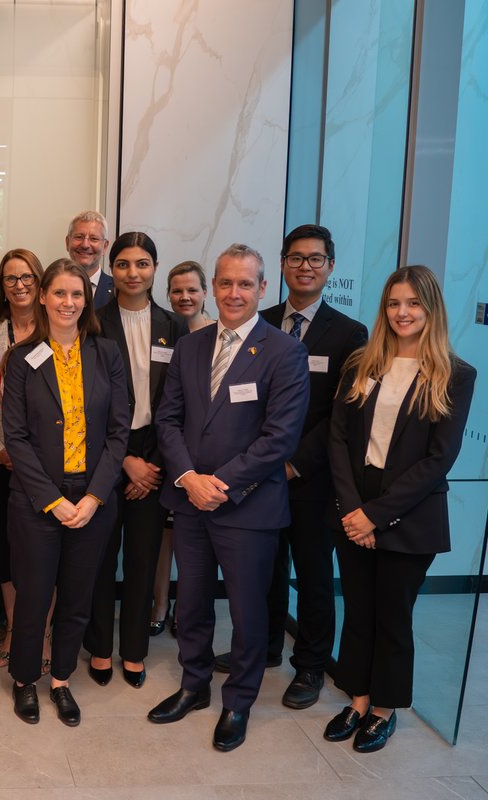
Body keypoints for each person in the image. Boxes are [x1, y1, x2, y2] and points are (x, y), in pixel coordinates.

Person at [148, 244, 309, 752]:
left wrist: (221, 484)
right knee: (191, 602)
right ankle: (194, 685)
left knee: (246, 611)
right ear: (213, 288)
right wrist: (190, 478)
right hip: (191, 502)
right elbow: (168, 420)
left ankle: (238, 699)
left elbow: (279, 438)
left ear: (264, 289)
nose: (233, 293)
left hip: (249, 507)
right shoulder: (191, 346)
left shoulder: (284, 351)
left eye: (245, 284)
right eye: (225, 283)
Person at [214, 225, 367, 709]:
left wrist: (293, 465)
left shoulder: (349, 333)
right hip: (256, 475)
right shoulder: (261, 320)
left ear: (330, 267)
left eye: (316, 259)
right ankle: (264, 649)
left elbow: (340, 416)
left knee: (314, 571)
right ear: (280, 266)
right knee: (265, 568)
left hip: (311, 479)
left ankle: (311, 665)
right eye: (296, 258)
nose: (305, 266)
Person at [324, 265, 475, 753]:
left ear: (430, 309)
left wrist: (376, 515)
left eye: (412, 303)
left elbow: (439, 459)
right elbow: (339, 439)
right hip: (355, 505)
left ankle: (385, 709)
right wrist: (353, 509)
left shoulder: (455, 374)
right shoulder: (362, 364)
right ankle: (359, 699)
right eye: (394, 303)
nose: (402, 312)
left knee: (392, 614)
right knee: (359, 611)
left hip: (409, 515)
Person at [3, 259, 129, 727]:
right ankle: (24, 680)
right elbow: (14, 436)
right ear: (42, 297)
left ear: (87, 299)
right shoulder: (21, 356)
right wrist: (53, 501)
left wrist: (94, 497)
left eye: (77, 294)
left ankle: (60, 681)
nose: (68, 303)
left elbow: (120, 432)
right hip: (38, 500)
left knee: (78, 597)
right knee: (34, 596)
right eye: (59, 293)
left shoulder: (107, 354)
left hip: (93, 498)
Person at [84, 233, 187, 689]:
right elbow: (87, 402)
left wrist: (152, 465)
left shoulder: (174, 325)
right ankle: (100, 649)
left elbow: (179, 402)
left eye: (142, 264)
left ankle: (134, 652)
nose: (132, 273)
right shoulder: (94, 322)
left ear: (155, 268)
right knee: (101, 559)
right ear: (113, 267)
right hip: (107, 452)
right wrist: (124, 459)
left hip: (156, 453)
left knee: (144, 560)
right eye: (123, 264)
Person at [0, 248, 46, 665]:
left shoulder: (58, 329)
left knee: (40, 553)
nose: (19, 285)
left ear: (40, 283)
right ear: (1, 287)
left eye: (27, 277)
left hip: (46, 466)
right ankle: (12, 626)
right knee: (2, 550)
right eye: (10, 279)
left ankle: (36, 634)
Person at [150, 260, 214, 636]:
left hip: (203, 458)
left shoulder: (219, 336)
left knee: (197, 545)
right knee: (165, 535)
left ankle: (189, 611)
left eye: (192, 290)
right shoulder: (166, 333)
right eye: (177, 291)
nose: (185, 297)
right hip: (169, 450)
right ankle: (161, 603)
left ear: (205, 292)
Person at [64, 211, 114, 308]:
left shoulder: (118, 291)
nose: (85, 245)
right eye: (79, 237)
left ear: (105, 246)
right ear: (67, 243)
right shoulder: (51, 286)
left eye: (94, 238)